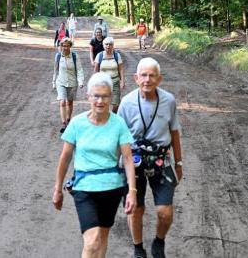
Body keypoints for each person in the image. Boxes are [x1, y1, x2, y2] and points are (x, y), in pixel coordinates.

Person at [53, 72, 138, 258]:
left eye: (105, 96)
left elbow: (128, 158)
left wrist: (132, 191)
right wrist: (58, 189)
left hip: (112, 188)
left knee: (102, 238)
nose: (100, 101)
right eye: (96, 96)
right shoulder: (76, 124)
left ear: (111, 97)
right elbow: (65, 156)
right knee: (92, 241)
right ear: (88, 96)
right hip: (84, 188)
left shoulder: (119, 124)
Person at [118, 57, 183, 258]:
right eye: (143, 75)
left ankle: (159, 241)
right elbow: (118, 137)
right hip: (132, 162)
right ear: (136, 78)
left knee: (165, 212)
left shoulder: (169, 101)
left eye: (152, 75)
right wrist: (113, 166)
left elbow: (174, 133)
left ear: (159, 79)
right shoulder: (126, 103)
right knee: (135, 209)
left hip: (161, 160)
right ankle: (138, 248)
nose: (147, 79)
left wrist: (179, 163)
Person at [52, 37, 85, 133]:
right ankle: (64, 123)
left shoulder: (74, 56)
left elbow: (79, 69)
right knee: (62, 101)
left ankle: (68, 119)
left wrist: (81, 81)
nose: (65, 48)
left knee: (70, 102)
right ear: (61, 46)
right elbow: (55, 70)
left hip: (72, 82)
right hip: (61, 82)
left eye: (67, 46)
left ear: (70, 46)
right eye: (63, 46)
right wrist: (53, 82)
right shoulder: (58, 56)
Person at [94, 37, 125, 113]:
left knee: (116, 104)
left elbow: (121, 69)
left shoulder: (117, 56)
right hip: (103, 83)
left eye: (110, 44)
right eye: (106, 44)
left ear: (113, 45)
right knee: (104, 102)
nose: (108, 46)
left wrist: (122, 81)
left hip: (115, 82)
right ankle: (106, 118)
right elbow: (96, 70)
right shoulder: (99, 56)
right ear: (103, 45)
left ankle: (112, 115)